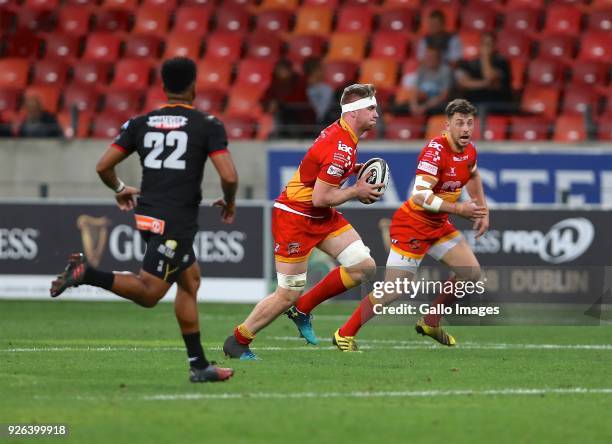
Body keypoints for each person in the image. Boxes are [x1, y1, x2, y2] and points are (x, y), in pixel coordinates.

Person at [49, 57, 238, 383]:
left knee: (189, 281)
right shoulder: (207, 124)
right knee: (150, 293)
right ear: (194, 86)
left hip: (149, 212)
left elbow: (103, 166)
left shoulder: (141, 122)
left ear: (163, 87)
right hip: (175, 219)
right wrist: (230, 202)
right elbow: (230, 176)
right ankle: (85, 272)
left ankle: (199, 366)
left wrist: (121, 188)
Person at [223, 83, 383, 360]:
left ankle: (303, 309)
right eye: (371, 108)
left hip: (318, 215)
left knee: (363, 267)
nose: (377, 113)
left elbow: (325, 178)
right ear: (353, 112)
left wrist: (356, 171)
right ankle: (237, 341)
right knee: (287, 293)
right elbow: (321, 197)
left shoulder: (344, 135)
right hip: (296, 216)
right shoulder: (340, 146)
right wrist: (356, 191)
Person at [325, 99, 489, 351]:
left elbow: (474, 174)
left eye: (469, 123)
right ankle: (344, 334)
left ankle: (430, 321)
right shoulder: (435, 152)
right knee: (395, 289)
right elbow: (420, 196)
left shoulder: (470, 151)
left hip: (438, 225)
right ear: (448, 125)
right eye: (460, 123)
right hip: (413, 225)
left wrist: (482, 208)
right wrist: (459, 209)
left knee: (471, 272)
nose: (466, 129)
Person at [454, 32, 513, 114]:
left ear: (495, 45)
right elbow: (464, 83)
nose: (486, 47)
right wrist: (485, 84)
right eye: (484, 43)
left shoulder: (501, 62)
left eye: (489, 44)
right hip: (474, 104)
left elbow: (489, 77)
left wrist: (485, 57)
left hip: (496, 105)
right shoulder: (471, 63)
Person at [262, 59, 316, 138]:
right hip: (282, 114)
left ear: (289, 71)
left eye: (283, 70)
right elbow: (265, 98)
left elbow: (297, 99)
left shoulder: (298, 81)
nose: (281, 73)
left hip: (300, 115)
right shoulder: (275, 83)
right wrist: (270, 103)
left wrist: (279, 103)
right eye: (278, 70)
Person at [394, 45, 452, 116]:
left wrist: (425, 107)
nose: (428, 60)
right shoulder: (422, 70)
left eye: (431, 57)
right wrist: (414, 105)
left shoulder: (445, 71)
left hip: (436, 103)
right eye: (427, 57)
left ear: (438, 58)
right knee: (397, 107)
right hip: (422, 101)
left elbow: (444, 95)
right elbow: (415, 90)